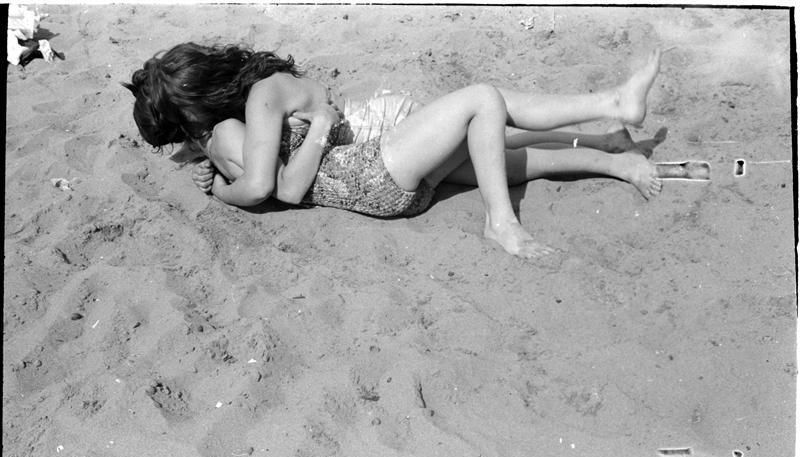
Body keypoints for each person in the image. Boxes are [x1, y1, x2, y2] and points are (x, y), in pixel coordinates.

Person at [125, 42, 663, 258]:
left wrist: (216, 181)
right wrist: (320, 126)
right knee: (484, 100)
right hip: (376, 167)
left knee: (497, 154)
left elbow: (248, 174)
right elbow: (273, 186)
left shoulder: (238, 124)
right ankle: (501, 222)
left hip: (383, 187)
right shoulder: (262, 96)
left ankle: (612, 155)